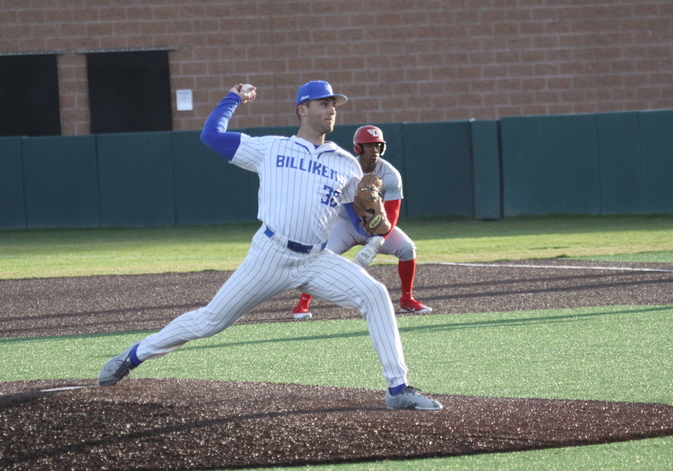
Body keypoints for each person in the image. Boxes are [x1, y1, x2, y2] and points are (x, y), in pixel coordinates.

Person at [98, 80, 442, 411]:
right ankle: (133, 356)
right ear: (302, 109)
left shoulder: (345, 163)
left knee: (375, 295)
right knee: (209, 321)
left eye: (334, 105)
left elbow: (358, 217)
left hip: (316, 259)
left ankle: (398, 388)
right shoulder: (272, 148)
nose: (332, 110)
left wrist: (372, 223)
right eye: (324, 103)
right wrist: (232, 99)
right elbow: (211, 136)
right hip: (271, 255)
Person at [292, 125, 431, 319]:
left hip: (377, 224)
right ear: (358, 148)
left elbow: (392, 213)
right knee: (322, 255)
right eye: (369, 146)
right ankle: (302, 304)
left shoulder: (390, 174)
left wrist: (378, 239)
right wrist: (359, 225)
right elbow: (347, 204)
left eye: (377, 146)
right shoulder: (348, 168)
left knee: (407, 248)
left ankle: (407, 299)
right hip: (346, 223)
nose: (374, 150)